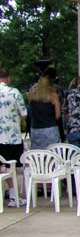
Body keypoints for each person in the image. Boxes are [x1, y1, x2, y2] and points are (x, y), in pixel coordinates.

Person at [0, 68, 28, 207]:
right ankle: (13, 196)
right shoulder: (14, 92)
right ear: (8, 78)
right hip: (11, 137)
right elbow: (24, 113)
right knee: (11, 166)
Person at [27, 74, 61, 149]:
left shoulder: (32, 96)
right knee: (52, 152)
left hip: (35, 128)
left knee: (38, 152)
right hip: (50, 127)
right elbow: (58, 115)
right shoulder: (53, 95)